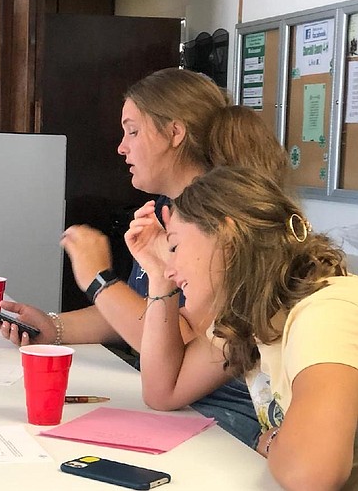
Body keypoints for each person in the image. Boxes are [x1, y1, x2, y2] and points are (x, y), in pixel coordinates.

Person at [0, 68, 290, 448]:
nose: (121, 147)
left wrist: (98, 280)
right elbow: (146, 310)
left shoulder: (217, 229)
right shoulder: (166, 211)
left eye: (132, 131)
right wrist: (54, 327)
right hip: (183, 407)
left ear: (174, 133)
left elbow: (178, 335)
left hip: (222, 422)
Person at [131, 165, 358, 490]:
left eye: (176, 247)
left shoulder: (324, 312)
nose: (172, 269)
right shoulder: (258, 312)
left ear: (227, 235)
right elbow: (163, 391)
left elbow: (311, 473)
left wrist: (270, 441)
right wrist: (154, 273)